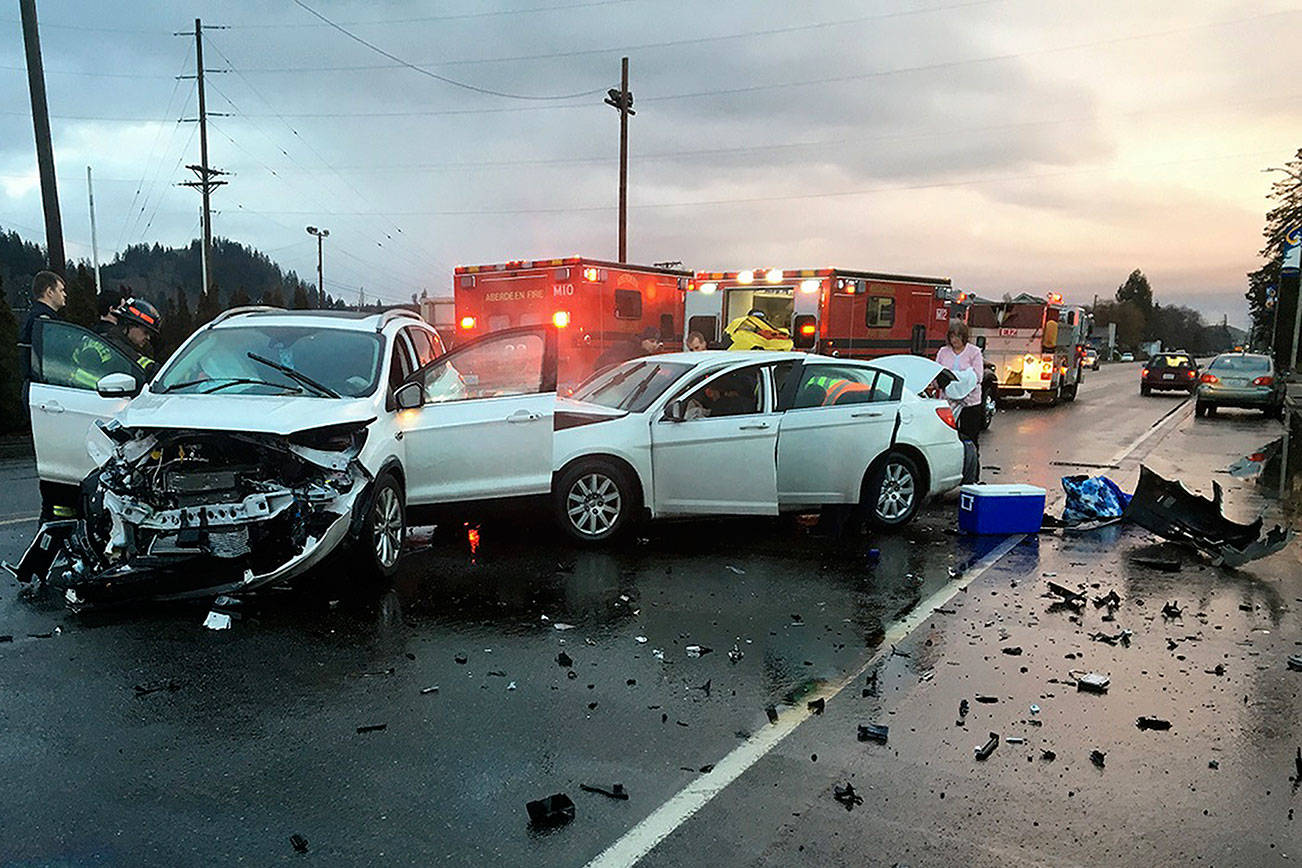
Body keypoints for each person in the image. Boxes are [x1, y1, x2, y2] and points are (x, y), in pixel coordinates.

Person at [935, 318, 984, 480]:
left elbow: (977, 376)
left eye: (957, 336)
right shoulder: (943, 352)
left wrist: (957, 381)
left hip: (970, 404)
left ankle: (972, 476)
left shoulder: (974, 352)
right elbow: (936, 376)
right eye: (952, 337)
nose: (954, 340)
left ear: (964, 336)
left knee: (970, 439)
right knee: (947, 439)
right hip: (947, 404)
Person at [18, 270, 66, 409]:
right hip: (46, 389)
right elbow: (57, 357)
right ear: (49, 292)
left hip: (35, 388)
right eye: (61, 290)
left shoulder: (35, 317)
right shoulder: (44, 322)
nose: (65, 294)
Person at [592, 326, 662, 374]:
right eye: (651, 341)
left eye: (657, 342)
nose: (654, 345)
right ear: (642, 341)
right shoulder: (627, 350)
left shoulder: (644, 353)